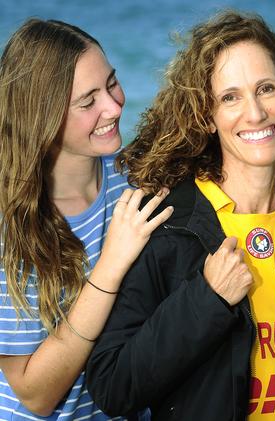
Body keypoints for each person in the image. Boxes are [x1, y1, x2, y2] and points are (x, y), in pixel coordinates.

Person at [86, 10, 275, 421]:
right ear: (208, 116)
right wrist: (205, 301)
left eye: (266, 89)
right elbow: (113, 385)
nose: (256, 113)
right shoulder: (168, 223)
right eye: (230, 97)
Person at [0, 18, 174, 421]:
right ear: (41, 118)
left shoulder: (133, 176)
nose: (114, 107)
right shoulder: (10, 225)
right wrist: (111, 265)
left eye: (112, 83)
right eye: (87, 101)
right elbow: (36, 395)